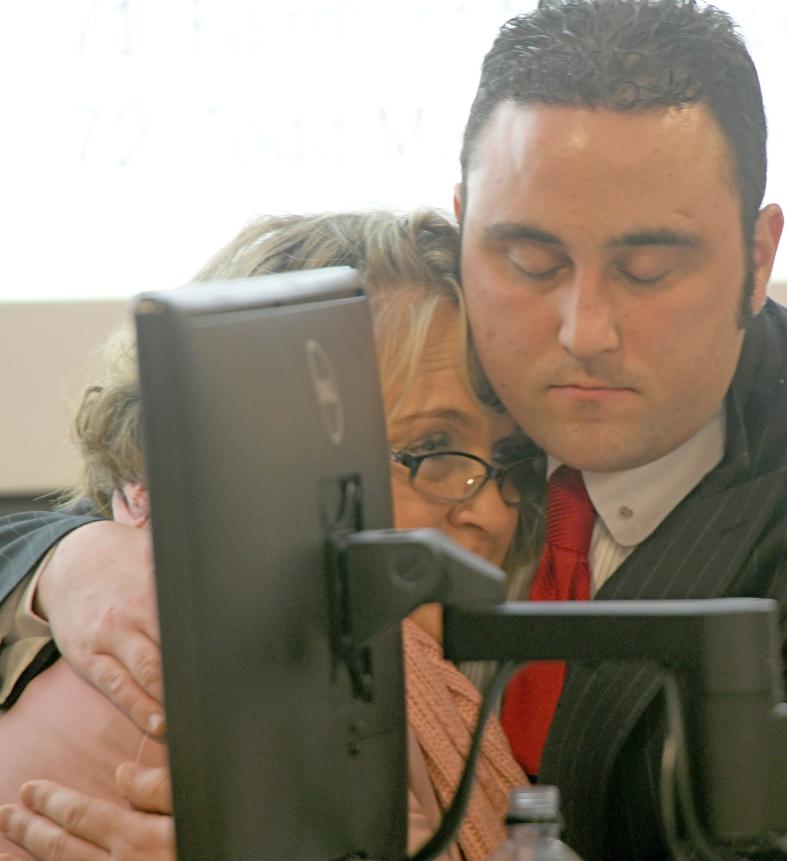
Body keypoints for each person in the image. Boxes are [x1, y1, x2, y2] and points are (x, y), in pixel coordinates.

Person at [2, 0, 787, 857]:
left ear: (757, 258)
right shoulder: (437, 356)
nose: (583, 332)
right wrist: (68, 560)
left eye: (649, 268)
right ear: (469, 230)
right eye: (532, 259)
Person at [0, 210, 537, 861]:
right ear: (254, 443)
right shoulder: (177, 697)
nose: (492, 513)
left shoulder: (382, 665)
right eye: (431, 448)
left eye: (509, 460)